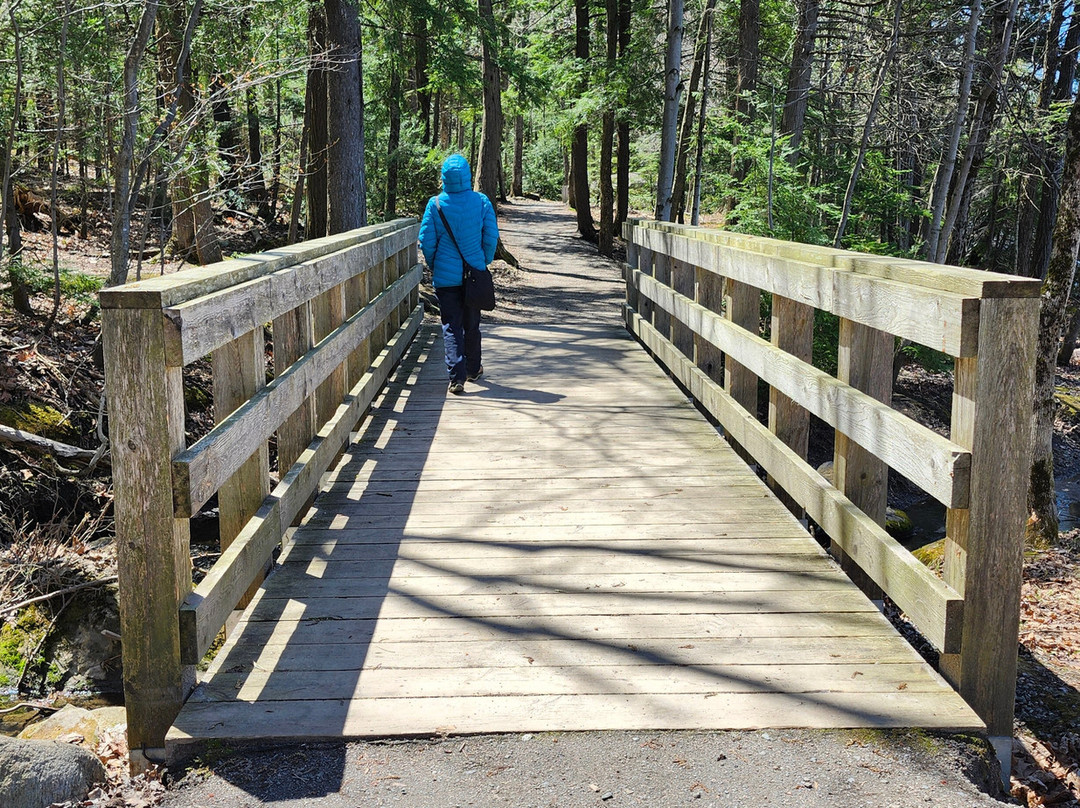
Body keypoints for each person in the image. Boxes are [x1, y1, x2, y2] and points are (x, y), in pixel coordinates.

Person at [419, 154, 499, 395]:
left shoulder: (435, 204)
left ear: (445, 177)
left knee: (451, 326)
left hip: (446, 279)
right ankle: (473, 369)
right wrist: (483, 261)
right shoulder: (481, 201)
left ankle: (456, 377)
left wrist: (435, 265)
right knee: (472, 324)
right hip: (473, 274)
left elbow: (426, 242)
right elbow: (490, 237)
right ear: (467, 175)